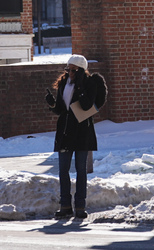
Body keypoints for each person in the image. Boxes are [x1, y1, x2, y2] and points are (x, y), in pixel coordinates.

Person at [44, 54, 107, 220]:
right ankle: (65, 205)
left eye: (73, 70)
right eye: (68, 69)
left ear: (81, 71)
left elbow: (86, 106)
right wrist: (52, 104)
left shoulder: (89, 84)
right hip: (65, 131)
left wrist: (80, 87)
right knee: (63, 170)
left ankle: (80, 206)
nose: (69, 73)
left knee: (81, 170)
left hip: (82, 132)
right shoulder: (64, 83)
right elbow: (61, 109)